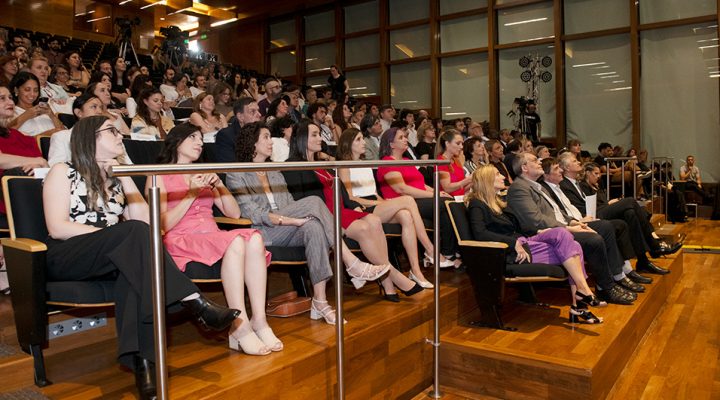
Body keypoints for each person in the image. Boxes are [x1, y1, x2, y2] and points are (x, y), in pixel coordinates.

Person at [42, 115, 240, 399]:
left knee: (134, 273)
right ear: (90, 138)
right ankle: (194, 301)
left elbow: (148, 226)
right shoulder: (64, 170)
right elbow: (57, 227)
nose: (120, 135)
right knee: (130, 235)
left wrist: (126, 177)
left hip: (112, 256)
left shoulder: (117, 178)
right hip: (67, 255)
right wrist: (111, 236)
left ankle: (144, 368)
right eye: (112, 131)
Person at [226, 122, 391, 324]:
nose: (271, 142)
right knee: (314, 202)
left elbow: (289, 202)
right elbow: (251, 213)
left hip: (285, 227)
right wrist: (292, 220)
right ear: (252, 143)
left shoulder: (274, 171)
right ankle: (351, 262)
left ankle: (320, 301)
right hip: (263, 232)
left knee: (314, 226)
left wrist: (297, 220)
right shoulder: (236, 173)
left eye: (270, 137)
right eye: (266, 137)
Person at [154, 123, 280, 355]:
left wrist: (220, 185)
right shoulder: (159, 176)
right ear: (177, 141)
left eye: (201, 138)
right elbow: (163, 224)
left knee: (253, 238)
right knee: (237, 241)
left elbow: (233, 214)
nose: (200, 143)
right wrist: (191, 194)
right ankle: (239, 327)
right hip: (181, 239)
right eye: (193, 137)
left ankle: (259, 320)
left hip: (211, 235)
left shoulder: (204, 173)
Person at [283, 121, 424, 300]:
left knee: (374, 220)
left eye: (319, 134)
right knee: (365, 228)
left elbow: (342, 192)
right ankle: (394, 278)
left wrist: (353, 206)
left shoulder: (322, 164)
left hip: (342, 209)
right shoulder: (294, 165)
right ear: (302, 139)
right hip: (325, 215)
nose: (320, 138)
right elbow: (302, 201)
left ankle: (387, 283)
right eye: (315, 135)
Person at [466, 165, 604, 323]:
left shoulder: (499, 203)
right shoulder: (477, 204)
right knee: (573, 245)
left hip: (524, 242)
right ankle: (580, 303)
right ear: (487, 180)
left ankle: (581, 296)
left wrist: (537, 233)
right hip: (509, 251)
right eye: (498, 174)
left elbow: (517, 228)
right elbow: (480, 233)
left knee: (567, 239)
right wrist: (513, 243)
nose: (503, 177)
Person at [506, 153, 636, 305]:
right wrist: (568, 228)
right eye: (535, 160)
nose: (539, 162)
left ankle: (616, 276)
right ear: (524, 167)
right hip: (546, 234)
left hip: (560, 227)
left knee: (605, 227)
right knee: (593, 239)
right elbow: (535, 221)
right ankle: (606, 287)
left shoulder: (536, 185)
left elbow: (556, 211)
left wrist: (574, 222)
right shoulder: (519, 188)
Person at [336, 128, 452, 288]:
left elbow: (374, 193)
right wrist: (381, 203)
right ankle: (430, 250)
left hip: (375, 203)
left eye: (363, 138)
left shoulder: (366, 164)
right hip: (361, 208)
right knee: (408, 200)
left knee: (405, 214)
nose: (363, 142)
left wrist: (383, 201)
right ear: (348, 144)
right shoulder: (344, 166)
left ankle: (416, 271)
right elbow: (350, 198)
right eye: (358, 140)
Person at [376, 127, 461, 268]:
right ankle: (445, 252)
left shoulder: (405, 160)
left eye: (405, 137)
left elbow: (421, 184)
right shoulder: (387, 161)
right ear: (391, 144)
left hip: (417, 199)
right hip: (402, 202)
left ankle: (449, 253)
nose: (406, 140)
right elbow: (402, 189)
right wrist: (435, 194)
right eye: (401, 137)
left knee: (449, 203)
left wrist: (437, 192)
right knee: (445, 203)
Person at [48, 92, 132, 166]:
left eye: (101, 108)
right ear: (79, 113)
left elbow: (128, 167)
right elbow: (55, 168)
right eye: (94, 107)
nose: (99, 111)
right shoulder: (61, 137)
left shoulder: (113, 136)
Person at [9, 71, 64, 136]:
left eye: (36, 90)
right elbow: (6, 135)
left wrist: (52, 115)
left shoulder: (44, 108)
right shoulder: (10, 112)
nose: (32, 94)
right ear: (16, 90)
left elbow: (64, 132)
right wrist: (26, 115)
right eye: (27, 89)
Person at [215, 97, 261, 162]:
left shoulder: (262, 132)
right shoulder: (226, 136)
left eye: (258, 110)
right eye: (252, 111)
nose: (259, 114)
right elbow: (230, 167)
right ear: (240, 117)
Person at [436, 129, 471, 198]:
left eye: (462, 144)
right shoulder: (441, 162)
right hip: (448, 201)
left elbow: (460, 188)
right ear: (447, 144)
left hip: (460, 198)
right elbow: (447, 188)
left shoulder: (456, 160)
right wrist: (468, 179)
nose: (461, 147)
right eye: (458, 143)